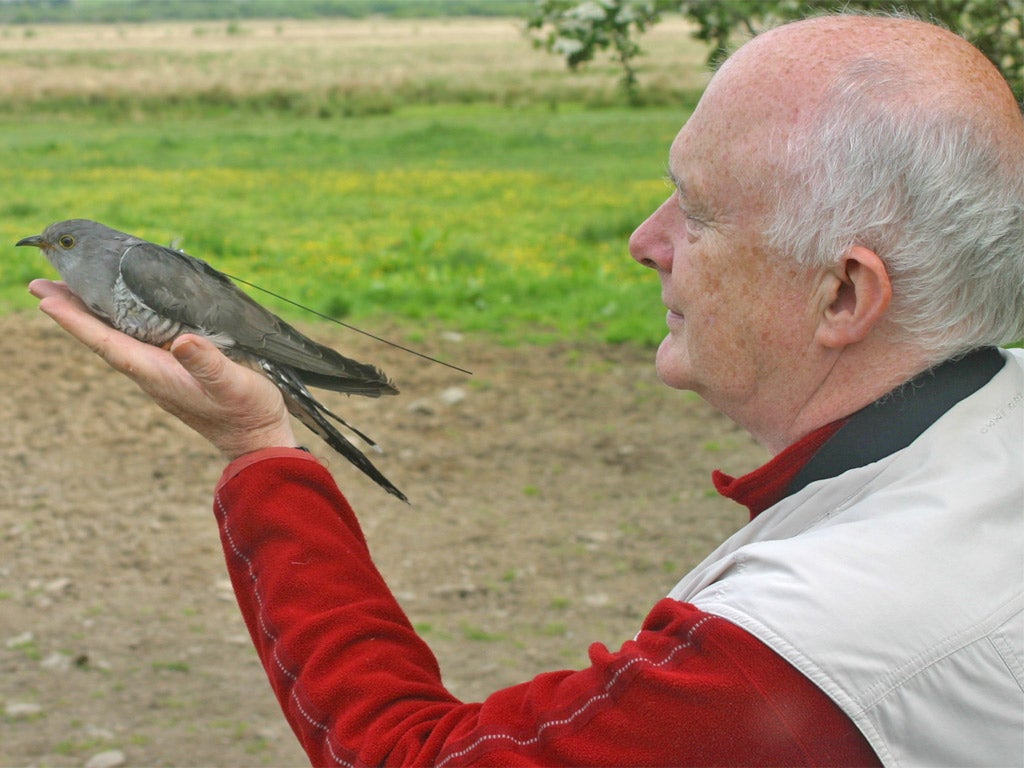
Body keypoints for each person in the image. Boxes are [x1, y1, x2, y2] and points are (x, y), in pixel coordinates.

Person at [29, 12, 1023, 767]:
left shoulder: (816, 647)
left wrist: (257, 453)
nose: (644, 243)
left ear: (843, 293)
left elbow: (414, 757)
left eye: (699, 211)